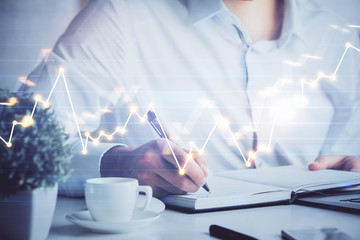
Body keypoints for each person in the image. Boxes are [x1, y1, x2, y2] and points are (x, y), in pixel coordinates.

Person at [22, 0, 360, 198]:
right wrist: (116, 166)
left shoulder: (338, 35)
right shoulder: (123, 14)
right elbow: (16, 141)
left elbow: (347, 157)